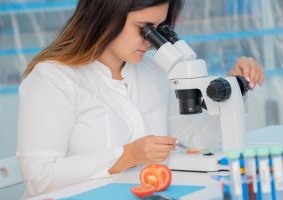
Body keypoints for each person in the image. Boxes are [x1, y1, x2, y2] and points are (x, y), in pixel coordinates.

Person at [17, 0, 264, 197]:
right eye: (143, 28)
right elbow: (40, 177)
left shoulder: (154, 72)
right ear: (106, 14)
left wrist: (233, 89)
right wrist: (127, 155)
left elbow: (195, 138)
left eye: (159, 31)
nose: (150, 41)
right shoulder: (52, 78)